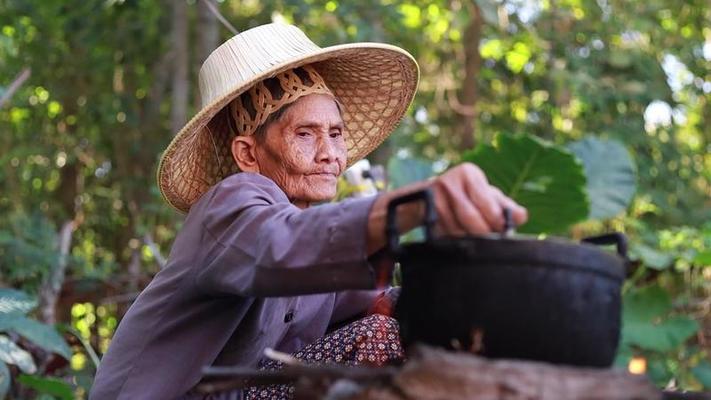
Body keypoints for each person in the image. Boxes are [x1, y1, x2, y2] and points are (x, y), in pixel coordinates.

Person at [89, 23, 527, 400]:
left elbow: (379, 302)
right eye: (305, 134)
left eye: (335, 134)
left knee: (413, 330)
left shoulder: (315, 246)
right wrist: (414, 205)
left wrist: (479, 298)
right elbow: (282, 245)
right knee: (376, 340)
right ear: (248, 152)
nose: (329, 154)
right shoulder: (230, 204)